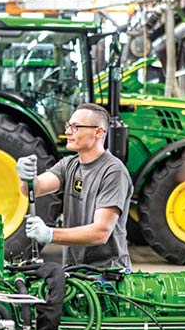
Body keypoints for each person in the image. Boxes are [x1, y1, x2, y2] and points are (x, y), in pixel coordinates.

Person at [16, 103, 132, 268]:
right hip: (74, 269)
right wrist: (25, 177)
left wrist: (49, 234)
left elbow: (101, 233)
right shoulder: (68, 165)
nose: (68, 132)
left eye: (76, 127)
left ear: (98, 132)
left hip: (106, 273)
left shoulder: (113, 171)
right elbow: (34, 189)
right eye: (68, 126)